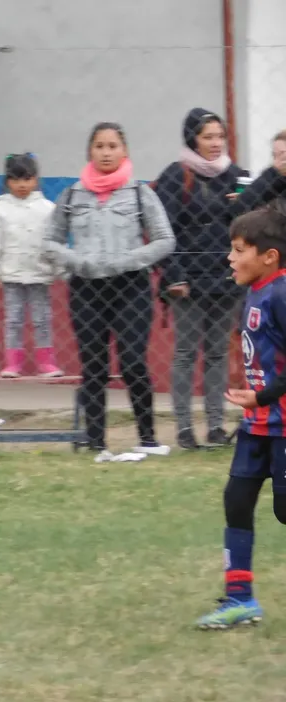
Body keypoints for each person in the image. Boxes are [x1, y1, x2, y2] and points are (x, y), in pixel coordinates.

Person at [43, 122, 176, 458]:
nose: (106, 153)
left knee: (133, 362)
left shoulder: (140, 193)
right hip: (86, 289)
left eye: (113, 146)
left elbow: (165, 240)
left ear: (124, 151)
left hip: (130, 287)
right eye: (99, 146)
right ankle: (96, 441)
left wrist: (130, 259)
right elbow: (50, 241)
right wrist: (75, 262)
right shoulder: (72, 195)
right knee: (94, 366)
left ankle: (147, 438)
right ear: (90, 151)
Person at [195, 201, 286, 629]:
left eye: (238, 249)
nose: (229, 258)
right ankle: (239, 599)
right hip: (258, 424)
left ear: (269, 256)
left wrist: (263, 395)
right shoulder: (255, 291)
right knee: (236, 500)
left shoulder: (281, 294)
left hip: (282, 424)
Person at [156, 109, 249, 450]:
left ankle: (215, 426)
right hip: (188, 283)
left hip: (227, 280)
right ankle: (184, 427)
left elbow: (248, 225)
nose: (215, 143)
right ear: (192, 138)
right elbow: (164, 230)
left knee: (217, 354)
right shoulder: (174, 176)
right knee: (185, 353)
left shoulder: (237, 176)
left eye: (219, 136)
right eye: (207, 136)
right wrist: (174, 276)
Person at [0, 153, 62, 379]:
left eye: (27, 179)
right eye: (15, 179)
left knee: (42, 319)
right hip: (11, 277)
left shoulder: (48, 209)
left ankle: (46, 363)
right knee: (13, 320)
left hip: (39, 274)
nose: (22, 185)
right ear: (7, 181)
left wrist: (60, 269)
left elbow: (56, 241)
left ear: (36, 180)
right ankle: (13, 364)